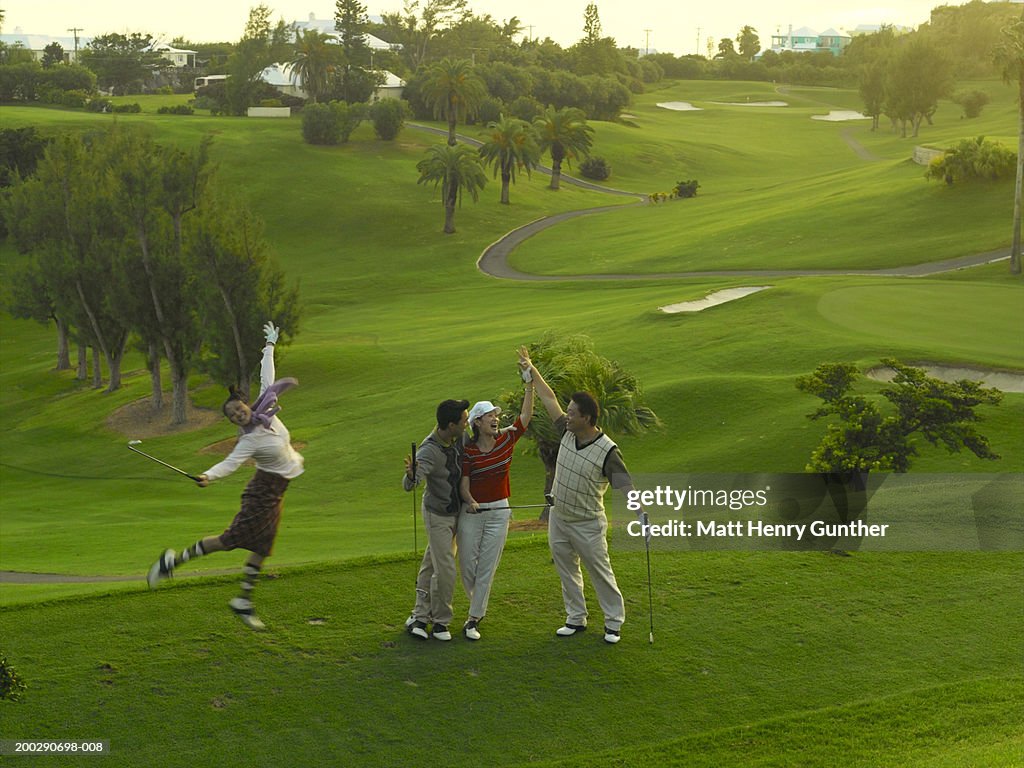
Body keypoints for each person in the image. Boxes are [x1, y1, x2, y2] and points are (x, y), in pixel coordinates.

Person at [146, 322, 304, 631]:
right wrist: (207, 475)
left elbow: (266, 378)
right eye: (232, 417)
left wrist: (269, 347)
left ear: (245, 403)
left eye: (238, 409)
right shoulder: (247, 440)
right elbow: (230, 464)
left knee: (263, 547)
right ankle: (171, 562)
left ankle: (243, 600)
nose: (238, 415)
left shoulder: (267, 408)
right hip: (263, 492)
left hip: (277, 493)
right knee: (229, 541)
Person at [519, 346, 642, 645]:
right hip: (559, 517)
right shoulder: (567, 432)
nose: (566, 416)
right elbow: (549, 399)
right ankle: (576, 618)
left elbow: (625, 486)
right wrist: (532, 370)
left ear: (586, 418)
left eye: (572, 414)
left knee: (600, 573)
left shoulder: (607, 451)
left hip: (588, 523)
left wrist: (642, 515)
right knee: (566, 568)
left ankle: (614, 623)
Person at [458, 365, 535, 640]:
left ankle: (473, 618)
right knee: (467, 565)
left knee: (487, 566)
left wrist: (529, 383)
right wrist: (469, 500)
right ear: (477, 422)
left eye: (495, 415)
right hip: (472, 511)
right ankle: (476, 605)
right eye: (489, 415)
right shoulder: (468, 451)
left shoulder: (506, 439)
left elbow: (526, 416)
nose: (495, 418)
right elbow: (464, 483)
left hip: (500, 511)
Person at [403, 399, 469, 642]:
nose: (467, 422)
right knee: (446, 569)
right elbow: (410, 483)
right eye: (464, 420)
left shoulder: (461, 437)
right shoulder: (429, 450)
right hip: (437, 515)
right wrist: (411, 476)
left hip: (457, 513)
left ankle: (419, 616)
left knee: (432, 563)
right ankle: (441, 622)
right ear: (451, 425)